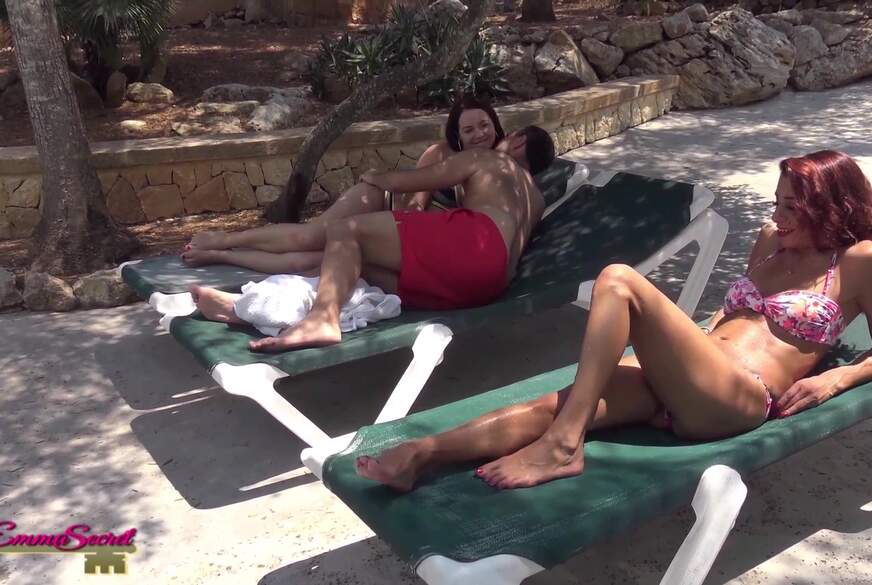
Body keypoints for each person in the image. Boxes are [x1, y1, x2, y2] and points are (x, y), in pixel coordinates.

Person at [353, 150, 872, 492]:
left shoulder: (857, 261)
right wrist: (679, 346)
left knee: (619, 280)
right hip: (690, 371)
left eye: (792, 208)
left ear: (831, 207)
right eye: (777, 202)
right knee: (556, 404)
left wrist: (839, 377)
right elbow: (733, 314)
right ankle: (421, 454)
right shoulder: (770, 240)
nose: (777, 216)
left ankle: (563, 447)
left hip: (738, 396)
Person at [191, 125, 556, 352]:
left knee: (345, 230)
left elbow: (405, 181)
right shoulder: (536, 199)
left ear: (518, 140)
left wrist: (373, 177)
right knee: (352, 267)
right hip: (487, 286)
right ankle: (252, 308)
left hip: (474, 242)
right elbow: (504, 255)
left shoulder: (492, 161)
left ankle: (322, 319)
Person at [180, 96, 505, 273]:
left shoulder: (502, 167)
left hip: (400, 235)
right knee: (309, 237)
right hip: (382, 204)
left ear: (495, 125)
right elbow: (414, 207)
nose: (479, 134)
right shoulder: (442, 155)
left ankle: (224, 256)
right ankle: (227, 239)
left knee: (312, 261)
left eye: (484, 125)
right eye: (469, 130)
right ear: (457, 136)